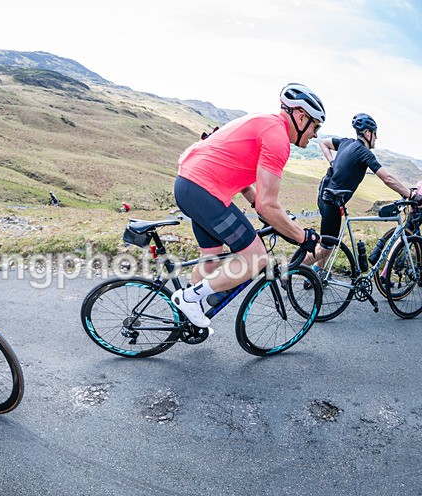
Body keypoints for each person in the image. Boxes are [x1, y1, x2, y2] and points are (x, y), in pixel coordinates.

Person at [170, 83, 323, 328]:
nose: (315, 133)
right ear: (301, 116)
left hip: (188, 185)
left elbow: (248, 188)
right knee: (256, 258)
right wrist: (302, 237)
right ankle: (188, 299)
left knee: (210, 257)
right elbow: (267, 205)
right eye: (316, 125)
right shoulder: (277, 138)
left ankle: (186, 318)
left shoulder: (266, 122)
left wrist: (261, 209)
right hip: (203, 190)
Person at [306, 113, 422, 267]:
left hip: (325, 195)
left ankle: (313, 276)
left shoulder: (346, 143)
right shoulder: (364, 153)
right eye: (375, 134)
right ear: (368, 133)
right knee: (326, 248)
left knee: (329, 241)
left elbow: (323, 143)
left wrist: (332, 161)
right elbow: (387, 178)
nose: (376, 138)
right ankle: (288, 270)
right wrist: (411, 195)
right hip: (331, 201)